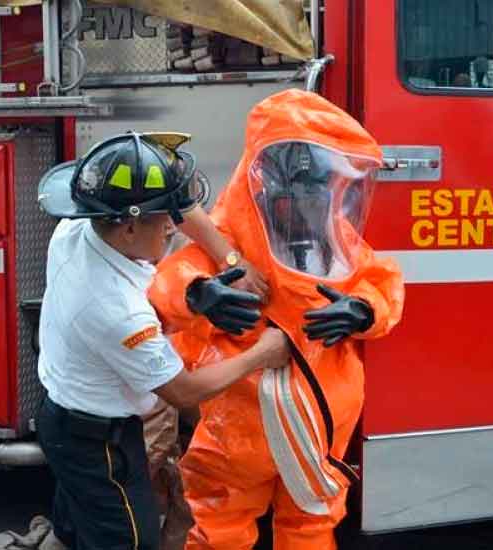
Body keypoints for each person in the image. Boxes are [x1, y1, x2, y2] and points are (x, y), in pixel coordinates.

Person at [148, 89, 405, 550]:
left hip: (318, 422)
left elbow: (380, 280)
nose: (308, 195)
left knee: (309, 524)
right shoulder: (230, 235)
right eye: (299, 181)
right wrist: (200, 294)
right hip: (240, 420)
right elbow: (172, 277)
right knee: (219, 526)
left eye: (317, 184)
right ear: (266, 176)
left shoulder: (337, 238)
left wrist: (363, 309)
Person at [34, 131, 290, 550]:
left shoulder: (79, 228)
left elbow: (179, 204)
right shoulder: (115, 310)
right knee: (132, 541)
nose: (173, 226)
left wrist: (232, 261)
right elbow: (183, 390)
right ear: (131, 226)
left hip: (63, 416)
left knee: (74, 530)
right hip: (97, 442)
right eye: (164, 220)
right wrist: (263, 353)